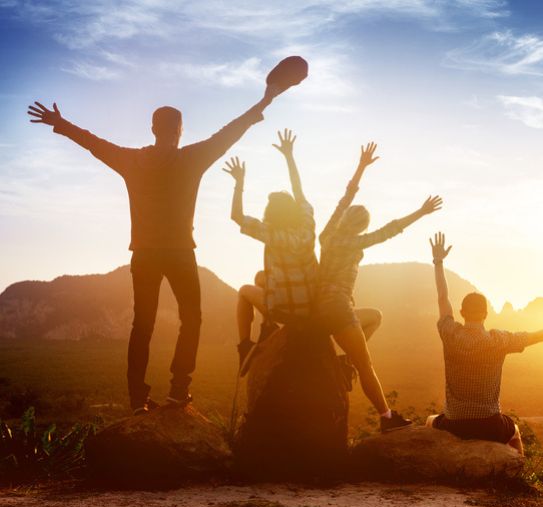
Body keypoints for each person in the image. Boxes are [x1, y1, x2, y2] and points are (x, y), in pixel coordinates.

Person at [27, 84, 285, 415]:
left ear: (152, 129)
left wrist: (60, 124)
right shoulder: (192, 157)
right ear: (180, 130)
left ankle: (137, 400)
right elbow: (229, 133)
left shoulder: (132, 160)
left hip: (145, 254)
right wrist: (262, 103)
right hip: (180, 253)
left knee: (142, 324)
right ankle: (179, 390)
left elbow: (94, 144)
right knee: (192, 318)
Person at [427, 232, 543, 453]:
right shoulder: (499, 340)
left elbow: (442, 298)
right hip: (489, 425)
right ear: (485, 314)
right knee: (515, 431)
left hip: (454, 424)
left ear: (462, 312)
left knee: (429, 421)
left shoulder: (449, 333)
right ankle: (518, 475)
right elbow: (540, 335)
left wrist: (438, 262)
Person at [316, 141, 443, 433]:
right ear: (361, 227)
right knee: (366, 365)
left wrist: (360, 167)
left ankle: (344, 359)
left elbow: (344, 199)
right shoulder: (357, 241)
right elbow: (391, 229)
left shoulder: (326, 235)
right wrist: (421, 212)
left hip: (319, 306)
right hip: (338, 307)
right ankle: (386, 417)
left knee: (374, 315)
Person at [224, 129, 317, 375]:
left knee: (245, 291)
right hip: (310, 304)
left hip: (285, 310)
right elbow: (300, 192)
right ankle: (268, 328)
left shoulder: (271, 233)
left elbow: (236, 216)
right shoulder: (308, 225)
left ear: (271, 214)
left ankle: (245, 346)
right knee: (260, 277)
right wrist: (289, 156)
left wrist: (239, 183)